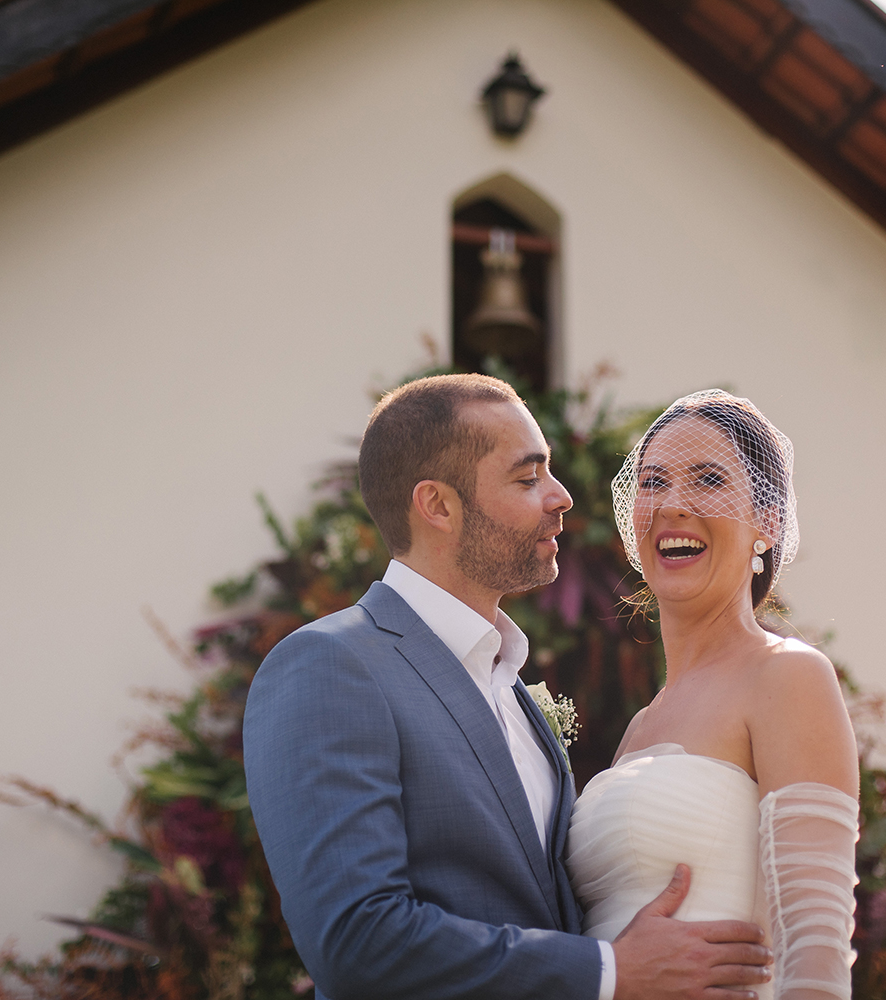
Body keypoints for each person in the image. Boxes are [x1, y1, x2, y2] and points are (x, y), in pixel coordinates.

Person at [244, 374, 774, 1000]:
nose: (562, 497)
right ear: (437, 506)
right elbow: (358, 941)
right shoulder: (330, 666)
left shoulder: (514, 694)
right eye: (527, 479)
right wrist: (609, 972)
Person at [567, 390, 861, 1000]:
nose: (673, 504)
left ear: (768, 522)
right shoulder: (638, 730)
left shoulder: (787, 676)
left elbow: (817, 946)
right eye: (653, 482)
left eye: (707, 479)